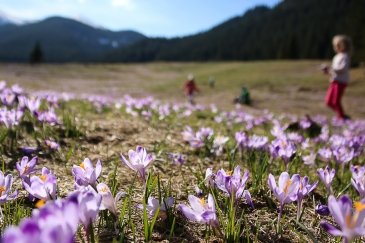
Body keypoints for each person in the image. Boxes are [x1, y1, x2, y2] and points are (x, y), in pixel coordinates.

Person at [321, 35, 352, 120]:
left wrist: (330, 68)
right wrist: (328, 71)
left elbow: (343, 69)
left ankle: (342, 117)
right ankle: (342, 115)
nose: (336, 47)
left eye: (338, 45)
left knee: (335, 101)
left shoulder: (345, 56)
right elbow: (335, 71)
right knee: (328, 102)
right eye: (335, 45)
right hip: (334, 81)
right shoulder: (336, 57)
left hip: (341, 82)